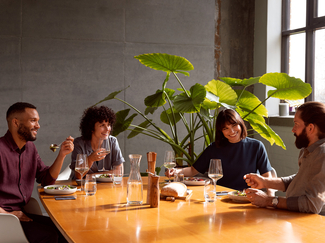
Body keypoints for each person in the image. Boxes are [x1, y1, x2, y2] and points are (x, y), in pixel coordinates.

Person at [0, 102, 74, 243]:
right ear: (16, 123)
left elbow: (46, 179)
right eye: (33, 121)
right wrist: (8, 214)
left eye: (38, 121)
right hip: (4, 218)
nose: (38, 126)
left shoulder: (30, 149)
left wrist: (62, 155)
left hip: (21, 212)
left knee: (64, 230)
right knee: (49, 235)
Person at [244, 101, 325, 215]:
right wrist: (265, 182)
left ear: (310, 128)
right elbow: (299, 180)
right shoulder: (308, 150)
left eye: (296, 124)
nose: (293, 129)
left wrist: (268, 201)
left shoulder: (322, 154)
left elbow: (311, 204)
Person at [167, 109, 273, 191]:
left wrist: (270, 199)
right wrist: (175, 171)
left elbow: (267, 178)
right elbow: (193, 170)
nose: (231, 131)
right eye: (225, 128)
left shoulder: (256, 146)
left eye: (234, 125)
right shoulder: (215, 148)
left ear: (240, 124)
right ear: (221, 131)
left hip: (248, 197)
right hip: (221, 197)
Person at [69, 106, 125, 179]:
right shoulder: (79, 143)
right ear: (91, 128)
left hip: (104, 186)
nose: (107, 129)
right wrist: (90, 159)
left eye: (108, 125)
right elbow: (79, 176)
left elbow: (119, 172)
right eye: (102, 125)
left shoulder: (112, 141)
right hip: (81, 187)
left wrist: (91, 176)